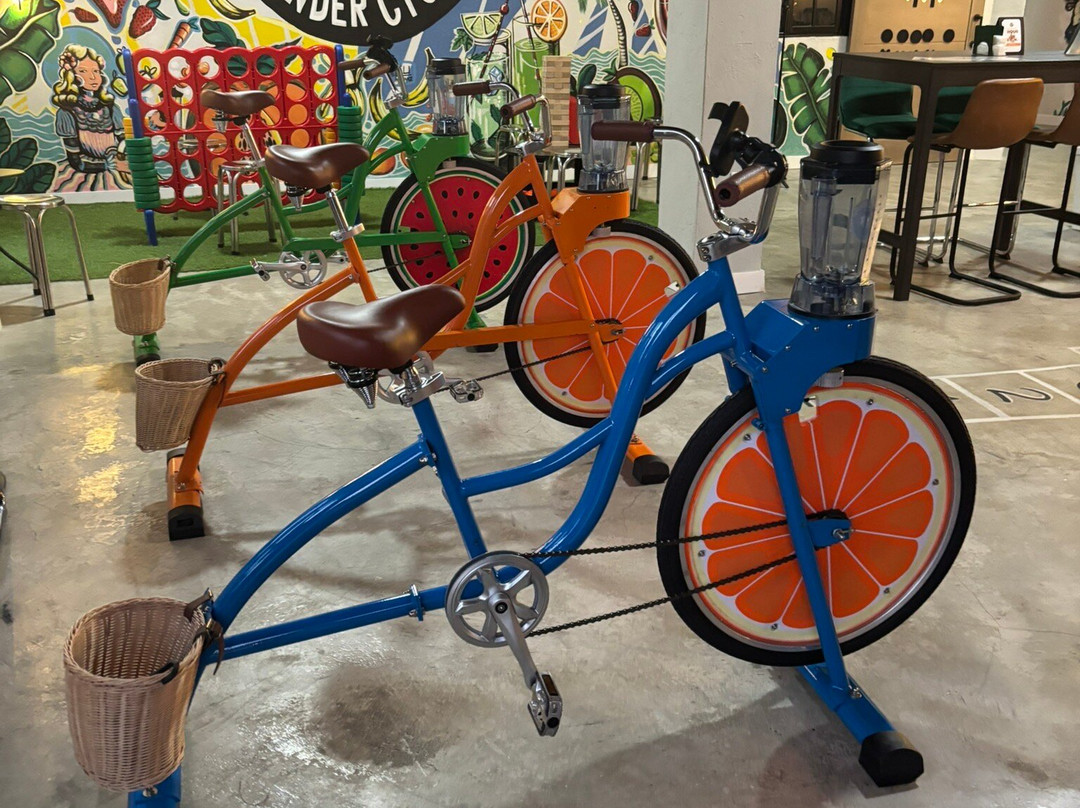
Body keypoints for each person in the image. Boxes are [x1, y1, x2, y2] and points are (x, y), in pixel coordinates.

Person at [51, 45, 131, 191]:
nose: (93, 77)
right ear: (72, 76)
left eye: (96, 71)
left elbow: (124, 142)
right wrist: (108, 165)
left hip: (118, 166)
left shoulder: (110, 108)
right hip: (86, 173)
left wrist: (123, 158)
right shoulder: (67, 113)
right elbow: (76, 161)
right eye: (83, 71)